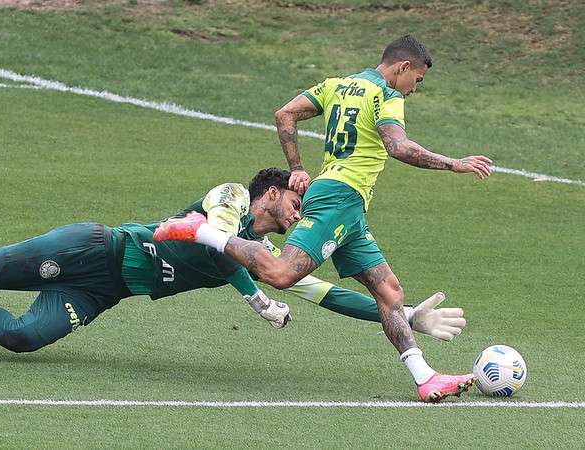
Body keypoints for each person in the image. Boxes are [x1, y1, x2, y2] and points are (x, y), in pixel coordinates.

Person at [154, 36, 488, 402]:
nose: (414, 89)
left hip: (350, 205)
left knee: (390, 292)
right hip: (339, 196)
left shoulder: (336, 85)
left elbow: (285, 114)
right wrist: (455, 164)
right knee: (282, 274)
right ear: (403, 67)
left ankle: (425, 379)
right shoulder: (386, 96)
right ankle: (202, 231)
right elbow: (398, 147)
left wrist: (297, 167)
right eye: (418, 81)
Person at [0, 169, 465, 353]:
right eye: (297, 202)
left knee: (20, 337)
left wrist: (397, 309)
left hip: (106, 292)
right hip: (94, 247)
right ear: (271, 194)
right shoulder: (232, 197)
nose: (304, 213)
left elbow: (322, 294)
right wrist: (253, 294)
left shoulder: (269, 256)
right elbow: (213, 236)